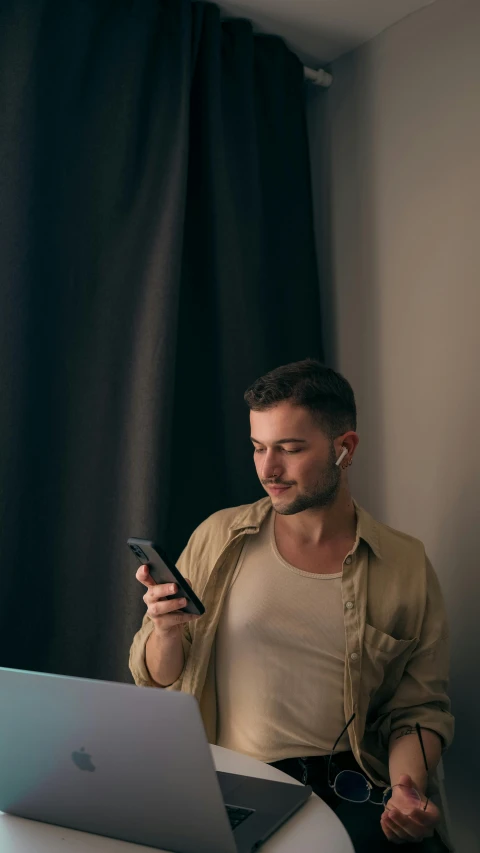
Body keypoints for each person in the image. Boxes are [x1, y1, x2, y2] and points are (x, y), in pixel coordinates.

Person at [129, 359, 454, 852]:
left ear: (345, 450)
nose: (268, 470)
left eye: (290, 449)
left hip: (354, 783)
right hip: (236, 779)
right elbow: (157, 675)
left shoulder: (404, 563)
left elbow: (417, 709)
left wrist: (406, 791)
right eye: (259, 448)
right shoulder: (219, 537)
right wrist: (166, 630)